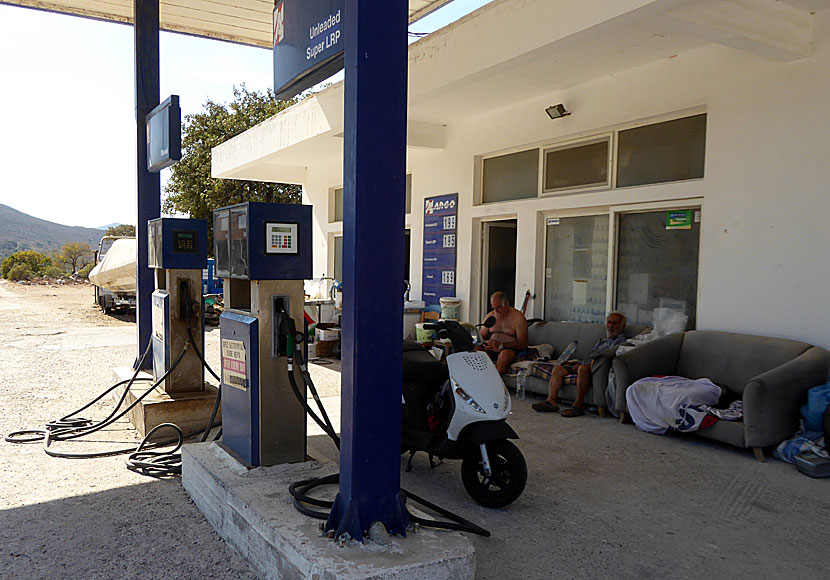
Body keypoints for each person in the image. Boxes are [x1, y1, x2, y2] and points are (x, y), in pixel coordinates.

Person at [532, 311, 627, 417]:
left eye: (615, 323)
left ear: (622, 327)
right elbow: (589, 357)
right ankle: (551, 401)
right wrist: (575, 363)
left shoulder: (620, 342)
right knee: (558, 369)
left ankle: (578, 406)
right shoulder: (602, 340)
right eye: (609, 322)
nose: (611, 326)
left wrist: (584, 365)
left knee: (582, 369)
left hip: (595, 370)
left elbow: (603, 360)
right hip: (584, 364)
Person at [478, 291, 528, 375]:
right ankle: (483, 376)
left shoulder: (518, 317)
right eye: (494, 308)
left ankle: (494, 380)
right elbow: (480, 337)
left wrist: (501, 345)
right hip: (491, 348)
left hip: (509, 349)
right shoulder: (490, 316)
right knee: (476, 351)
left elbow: (522, 343)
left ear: (506, 303)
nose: (496, 311)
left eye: (499, 307)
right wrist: (487, 343)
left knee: (504, 355)